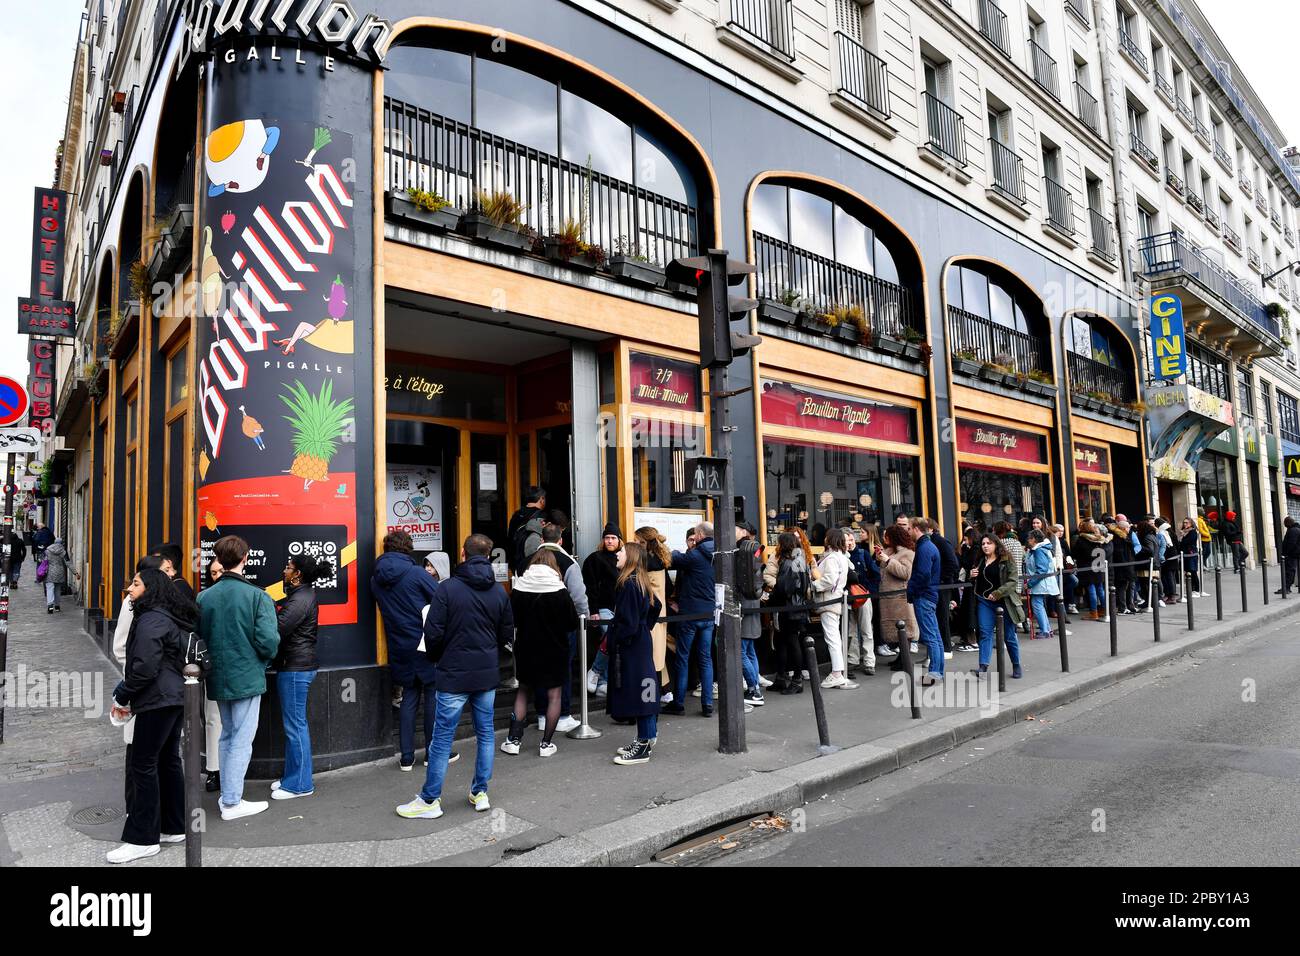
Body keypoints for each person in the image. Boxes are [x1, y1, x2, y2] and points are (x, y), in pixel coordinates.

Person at [396, 534, 513, 820]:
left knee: (442, 738)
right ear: (488, 557)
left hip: (453, 673)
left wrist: (438, 658)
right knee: (485, 733)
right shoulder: (499, 591)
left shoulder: (447, 589)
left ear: (462, 553)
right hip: (485, 673)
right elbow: (506, 634)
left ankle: (430, 799)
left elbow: (432, 632)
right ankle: (480, 791)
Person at [105, 566, 197, 864]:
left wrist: (123, 693)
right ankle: (174, 825)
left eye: (136, 584)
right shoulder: (167, 616)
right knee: (168, 760)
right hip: (174, 696)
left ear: (151, 588)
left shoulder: (150, 619)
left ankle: (143, 838)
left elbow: (143, 666)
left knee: (143, 763)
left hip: (158, 698)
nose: (130, 589)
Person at [196, 535, 280, 821]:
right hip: (246, 674)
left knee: (227, 734)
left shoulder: (204, 597)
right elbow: (269, 641)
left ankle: (228, 795)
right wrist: (262, 661)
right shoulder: (257, 596)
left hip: (216, 676)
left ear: (219, 559)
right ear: (245, 558)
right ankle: (232, 800)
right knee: (241, 739)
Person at [372, 530, 454, 772]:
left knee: (409, 697)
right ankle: (432, 752)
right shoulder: (417, 573)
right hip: (424, 642)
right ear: (408, 548)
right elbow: (442, 600)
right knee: (431, 695)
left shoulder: (375, 578)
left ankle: (406, 757)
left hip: (398, 644)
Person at [502, 550, 578, 758]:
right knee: (555, 695)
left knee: (523, 692)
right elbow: (572, 623)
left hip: (526, 647)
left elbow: (511, 619)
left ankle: (513, 741)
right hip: (555, 648)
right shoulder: (560, 590)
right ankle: (546, 744)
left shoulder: (519, 588)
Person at [271, 550, 333, 799]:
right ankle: (292, 777)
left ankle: (299, 785)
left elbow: (278, 629)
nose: (284, 571)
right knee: (294, 725)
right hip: (296, 666)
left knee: (295, 726)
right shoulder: (301, 595)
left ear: (297, 575)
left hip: (296, 668)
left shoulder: (300, 599)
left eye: (288, 567)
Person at [606, 541, 663, 765]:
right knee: (645, 690)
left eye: (621, 551)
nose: (617, 554)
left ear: (630, 557)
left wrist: (619, 636)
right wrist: (644, 626)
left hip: (632, 646)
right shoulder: (639, 580)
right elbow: (655, 606)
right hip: (640, 642)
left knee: (641, 693)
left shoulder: (629, 584)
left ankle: (644, 746)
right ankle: (644, 738)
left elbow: (627, 622)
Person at [534, 521, 589, 731]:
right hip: (561, 624)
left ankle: (541, 714)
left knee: (539, 668)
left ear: (541, 539)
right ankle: (563, 714)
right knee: (562, 668)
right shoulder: (568, 562)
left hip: (534, 625)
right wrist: (583, 617)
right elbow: (578, 596)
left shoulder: (528, 561)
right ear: (561, 540)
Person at [662, 521, 717, 716]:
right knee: (705, 659)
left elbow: (673, 559)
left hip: (690, 614)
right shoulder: (718, 553)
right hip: (709, 614)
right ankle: (708, 705)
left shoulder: (694, 555)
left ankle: (678, 703)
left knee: (683, 658)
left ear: (700, 535)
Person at [969, 534, 1024, 678]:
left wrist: (998, 593)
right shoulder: (981, 561)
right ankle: (983, 667)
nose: (985, 546)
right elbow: (975, 582)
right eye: (983, 543)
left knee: (1009, 636)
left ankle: (1016, 665)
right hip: (984, 601)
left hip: (1003, 602)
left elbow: (1013, 581)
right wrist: (972, 576)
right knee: (985, 632)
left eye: (989, 543)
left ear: (996, 545)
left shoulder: (1006, 560)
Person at [763, 531, 812, 694]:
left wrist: (771, 597)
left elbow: (784, 588)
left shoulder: (788, 562)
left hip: (788, 608)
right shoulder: (801, 559)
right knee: (784, 642)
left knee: (790, 642)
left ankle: (796, 680)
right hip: (797, 606)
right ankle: (782, 678)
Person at [582, 523, 623, 697]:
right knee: (610, 638)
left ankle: (603, 681)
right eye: (607, 537)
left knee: (613, 643)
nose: (610, 541)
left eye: (613, 538)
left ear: (619, 540)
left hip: (621, 608)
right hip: (603, 607)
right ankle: (596, 672)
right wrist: (594, 610)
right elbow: (589, 587)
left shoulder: (624, 557)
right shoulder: (594, 559)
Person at [812, 528, 855, 689]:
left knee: (832, 638)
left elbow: (829, 580)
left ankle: (837, 673)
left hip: (828, 601)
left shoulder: (831, 558)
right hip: (835, 600)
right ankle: (839, 672)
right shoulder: (841, 557)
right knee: (835, 637)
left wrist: (815, 585)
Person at [908, 518, 943, 685]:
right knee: (935, 636)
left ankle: (935, 673)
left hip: (924, 596)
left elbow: (923, 574)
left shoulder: (924, 548)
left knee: (931, 636)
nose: (907, 532)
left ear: (916, 528)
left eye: (909, 528)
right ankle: (938, 671)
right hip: (928, 595)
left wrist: (913, 590)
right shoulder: (928, 546)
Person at [734, 524, 766, 703]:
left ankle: (754, 690)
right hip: (754, 603)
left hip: (744, 606)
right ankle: (756, 688)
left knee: (741, 651)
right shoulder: (753, 551)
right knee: (750, 651)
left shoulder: (742, 552)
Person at [878, 524, 917, 666]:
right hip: (889, 598)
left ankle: (904, 661)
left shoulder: (907, 553)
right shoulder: (889, 551)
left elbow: (906, 573)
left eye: (887, 536)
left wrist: (888, 561)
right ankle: (901, 657)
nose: (884, 538)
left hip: (900, 598)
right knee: (896, 630)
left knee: (904, 630)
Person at [847, 527, 880, 676]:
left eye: (851, 540)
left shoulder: (863, 554)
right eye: (846, 541)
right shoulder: (841, 556)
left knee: (867, 630)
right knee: (851, 631)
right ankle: (853, 659)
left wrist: (869, 592)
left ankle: (869, 661)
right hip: (847, 598)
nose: (848, 543)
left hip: (863, 596)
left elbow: (875, 574)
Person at [1025, 528, 1062, 639]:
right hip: (1044, 582)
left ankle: (1044, 630)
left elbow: (1041, 570)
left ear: (1034, 539)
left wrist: (1030, 584)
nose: (1028, 541)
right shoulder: (1042, 549)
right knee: (1039, 605)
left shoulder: (1039, 550)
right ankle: (1047, 629)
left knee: (1037, 605)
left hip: (1040, 583)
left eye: (1030, 539)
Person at [1072, 520, 1110, 621]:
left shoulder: (1082, 540)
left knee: (1091, 589)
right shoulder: (1100, 539)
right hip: (1100, 565)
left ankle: (1094, 612)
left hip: (1088, 567)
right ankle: (1105, 610)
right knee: (1100, 589)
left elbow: (1075, 553)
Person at [506, 485, 547, 578]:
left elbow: (510, 537)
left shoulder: (517, 514)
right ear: (541, 499)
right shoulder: (542, 516)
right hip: (532, 564)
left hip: (516, 562)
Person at [1178, 517, 1206, 598]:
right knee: (1187, 572)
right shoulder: (1184, 532)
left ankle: (1196, 590)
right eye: (1184, 522)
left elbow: (1187, 542)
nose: (1185, 524)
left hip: (1191, 554)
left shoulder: (1192, 532)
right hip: (1185, 554)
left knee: (1193, 572)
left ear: (1191, 523)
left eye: (1187, 522)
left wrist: (1183, 537)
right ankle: (1190, 590)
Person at [41, 536, 70, 613]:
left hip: (50, 572)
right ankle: (57, 606)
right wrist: (75, 573)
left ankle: (50, 606)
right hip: (60, 572)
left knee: (50, 588)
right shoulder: (63, 551)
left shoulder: (47, 550)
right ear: (61, 543)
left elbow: (44, 561)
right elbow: (68, 563)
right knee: (57, 589)